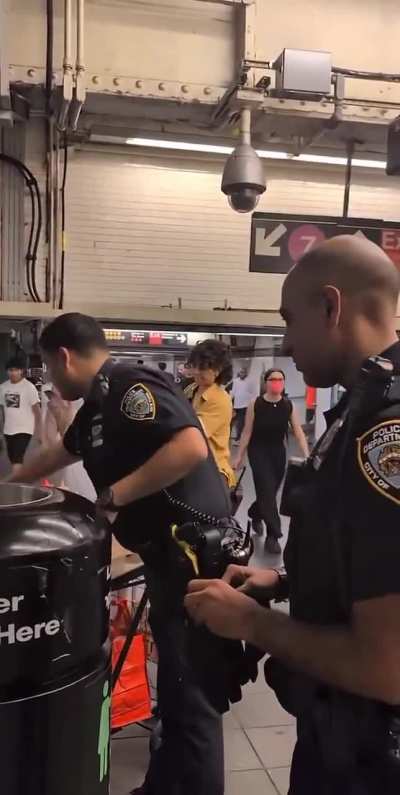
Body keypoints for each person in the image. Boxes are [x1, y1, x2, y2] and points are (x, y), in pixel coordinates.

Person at [185, 235, 400, 795]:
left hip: (370, 763)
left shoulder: (388, 433)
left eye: (289, 320)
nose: (285, 342)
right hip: (342, 739)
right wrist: (283, 581)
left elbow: (389, 666)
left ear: (331, 306)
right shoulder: (362, 405)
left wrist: (252, 623)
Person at [9, 313, 235, 795]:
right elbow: (58, 454)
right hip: (165, 558)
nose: (49, 378)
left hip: (193, 559)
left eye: (48, 367)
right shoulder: (96, 405)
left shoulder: (130, 386)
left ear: (63, 357)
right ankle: (163, 786)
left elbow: (190, 447)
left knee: (192, 696)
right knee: (173, 690)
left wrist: (113, 497)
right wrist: (11, 486)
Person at [235, 369, 309, 554]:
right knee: (267, 490)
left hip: (278, 452)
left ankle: (255, 513)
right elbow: (247, 432)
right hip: (258, 451)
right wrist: (239, 456)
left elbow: (298, 431)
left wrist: (307, 454)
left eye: (280, 379)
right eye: (273, 379)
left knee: (269, 492)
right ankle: (273, 535)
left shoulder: (288, 405)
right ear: (266, 382)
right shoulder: (256, 404)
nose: (277, 382)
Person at [185, 339, 236, 490]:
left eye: (202, 367)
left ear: (217, 369)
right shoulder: (192, 389)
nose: (196, 371)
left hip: (213, 472)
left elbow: (194, 434)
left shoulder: (219, 399)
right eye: (194, 365)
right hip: (192, 468)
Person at [0, 357, 42, 477]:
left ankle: (17, 482)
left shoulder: (29, 387)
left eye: (16, 370)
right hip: (8, 429)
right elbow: (2, 410)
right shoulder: (3, 388)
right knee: (13, 457)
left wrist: (39, 432)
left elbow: (37, 411)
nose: (13, 373)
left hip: (24, 429)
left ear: (21, 371)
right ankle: (19, 478)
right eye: (10, 370)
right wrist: (1, 431)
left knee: (17, 457)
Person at [230, 367, 255, 443]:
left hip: (245, 405)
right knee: (232, 421)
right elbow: (233, 392)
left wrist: (251, 403)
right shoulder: (235, 381)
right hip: (236, 405)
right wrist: (229, 400)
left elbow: (252, 393)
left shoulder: (249, 381)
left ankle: (238, 438)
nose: (242, 374)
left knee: (241, 422)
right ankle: (231, 436)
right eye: (241, 372)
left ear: (246, 373)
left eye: (243, 372)